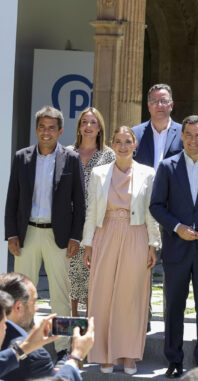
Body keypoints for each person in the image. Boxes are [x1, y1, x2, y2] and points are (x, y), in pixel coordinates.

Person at [4, 106, 86, 362]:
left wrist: (75, 237)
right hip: (27, 233)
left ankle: (63, 348)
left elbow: (80, 201)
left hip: (58, 236)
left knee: (60, 294)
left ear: (60, 131)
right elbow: (12, 198)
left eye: (52, 128)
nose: (46, 132)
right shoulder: (22, 157)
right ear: (36, 129)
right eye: (42, 127)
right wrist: (11, 235)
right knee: (20, 295)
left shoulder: (71, 159)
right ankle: (21, 346)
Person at [150, 115, 198, 378]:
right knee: (173, 307)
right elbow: (156, 206)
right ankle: (174, 361)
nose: (193, 140)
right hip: (177, 249)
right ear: (181, 136)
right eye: (189, 134)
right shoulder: (167, 166)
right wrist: (176, 228)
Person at [82, 126, 161, 374]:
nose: (123, 145)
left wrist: (153, 244)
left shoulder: (148, 173)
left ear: (135, 144)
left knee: (131, 296)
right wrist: (88, 244)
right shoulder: (98, 173)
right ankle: (105, 354)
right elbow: (92, 211)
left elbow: (151, 212)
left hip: (136, 234)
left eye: (128, 141)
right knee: (102, 295)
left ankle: (128, 355)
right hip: (105, 234)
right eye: (118, 141)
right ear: (112, 145)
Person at [66, 107, 116, 317]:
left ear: (100, 128)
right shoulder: (67, 152)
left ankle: (90, 330)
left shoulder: (108, 155)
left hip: (97, 224)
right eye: (84, 122)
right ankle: (71, 326)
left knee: (93, 275)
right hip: (69, 224)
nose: (88, 126)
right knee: (70, 277)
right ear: (78, 127)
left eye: (93, 122)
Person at [0, 273, 95, 381]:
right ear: (18, 307)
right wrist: (76, 355)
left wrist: (25, 347)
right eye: (34, 301)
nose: (37, 307)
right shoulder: (35, 356)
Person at [131, 83, 184, 170]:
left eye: (164, 101)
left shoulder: (183, 133)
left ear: (171, 105)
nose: (159, 105)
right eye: (154, 101)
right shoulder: (135, 134)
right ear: (148, 106)